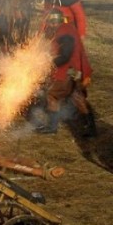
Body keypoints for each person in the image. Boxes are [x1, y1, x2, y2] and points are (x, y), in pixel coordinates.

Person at [35, 9, 96, 137]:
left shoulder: (65, 34)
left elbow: (65, 56)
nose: (50, 25)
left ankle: (52, 127)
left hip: (70, 71)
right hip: (76, 71)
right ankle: (90, 128)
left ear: (56, 21)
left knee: (52, 95)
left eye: (52, 22)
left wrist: (48, 63)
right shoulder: (66, 29)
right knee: (77, 99)